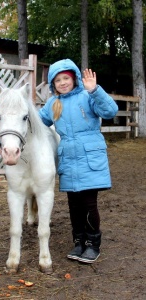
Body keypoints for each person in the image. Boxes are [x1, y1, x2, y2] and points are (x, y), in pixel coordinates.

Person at [39, 58, 118, 264]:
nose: (63, 83)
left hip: (89, 157)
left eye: (66, 78)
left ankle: (93, 244)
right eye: (57, 80)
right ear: (53, 85)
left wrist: (95, 90)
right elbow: (37, 121)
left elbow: (110, 111)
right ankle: (78, 242)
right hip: (68, 160)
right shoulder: (52, 104)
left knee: (89, 203)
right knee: (73, 205)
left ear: (74, 78)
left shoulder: (87, 96)